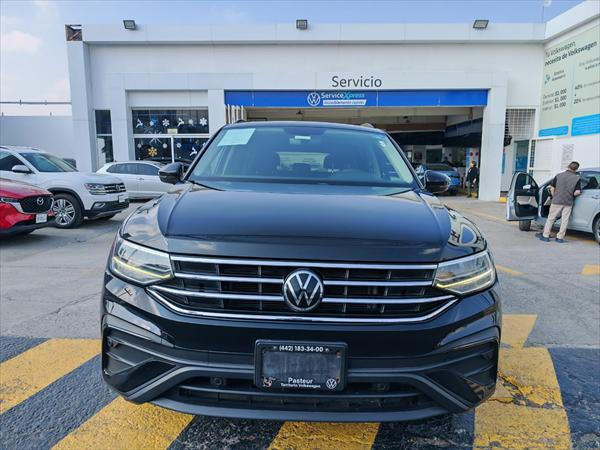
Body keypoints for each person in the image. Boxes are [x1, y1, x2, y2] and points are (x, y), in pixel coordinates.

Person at [539, 161, 581, 243]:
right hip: (568, 202)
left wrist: (554, 196)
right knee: (565, 220)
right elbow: (577, 192)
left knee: (551, 218)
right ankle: (560, 238)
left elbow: (552, 188)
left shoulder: (558, 175)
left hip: (556, 200)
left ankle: (545, 236)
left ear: (568, 166)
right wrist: (574, 194)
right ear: (576, 169)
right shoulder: (577, 178)